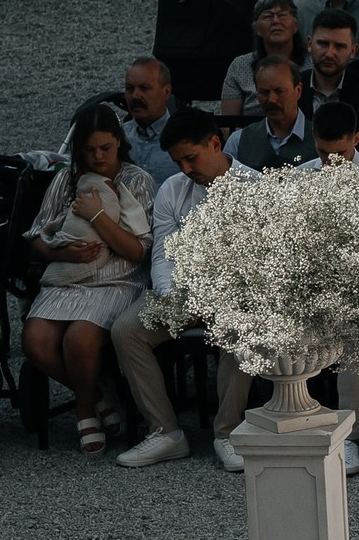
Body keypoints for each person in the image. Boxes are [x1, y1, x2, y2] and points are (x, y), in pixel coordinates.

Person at [111, 111, 252, 471]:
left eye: (192, 157)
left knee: (244, 327)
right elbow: (163, 253)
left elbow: (255, 260)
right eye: (178, 161)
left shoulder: (254, 187)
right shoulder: (173, 189)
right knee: (127, 331)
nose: (186, 168)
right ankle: (165, 431)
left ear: (215, 143)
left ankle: (228, 432)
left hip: (235, 294)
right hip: (183, 292)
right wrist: (169, 292)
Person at [20, 104, 156, 456]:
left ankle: (84, 412)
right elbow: (36, 233)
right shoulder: (66, 180)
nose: (98, 157)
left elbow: (137, 250)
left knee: (79, 339)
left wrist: (97, 215)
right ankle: (96, 395)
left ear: (118, 143)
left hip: (117, 279)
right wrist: (60, 253)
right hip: (67, 276)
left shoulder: (137, 180)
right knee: (35, 341)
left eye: (105, 149)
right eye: (89, 150)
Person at [219, 0, 304, 114]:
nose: (276, 21)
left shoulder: (312, 63)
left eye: (282, 15)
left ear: (295, 25)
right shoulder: (240, 66)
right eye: (268, 16)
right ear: (257, 29)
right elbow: (228, 124)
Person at [223, 56, 312, 170]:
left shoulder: (320, 139)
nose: (272, 99)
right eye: (264, 92)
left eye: (279, 91)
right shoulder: (238, 142)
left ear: (298, 90)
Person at [120, 57, 183, 188]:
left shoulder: (185, 139)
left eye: (144, 88)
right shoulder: (117, 137)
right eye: (130, 89)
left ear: (166, 92)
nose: (135, 95)